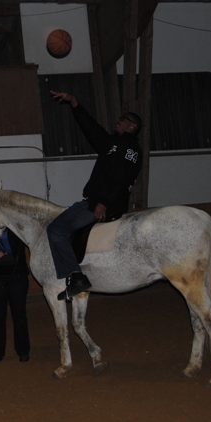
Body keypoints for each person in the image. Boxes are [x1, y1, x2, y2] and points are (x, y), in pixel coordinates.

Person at [48, 90, 143, 302]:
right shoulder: (114, 145)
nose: (118, 122)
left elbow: (122, 176)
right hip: (96, 201)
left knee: (55, 230)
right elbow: (92, 130)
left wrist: (103, 203)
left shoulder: (130, 148)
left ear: (131, 126)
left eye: (122, 120)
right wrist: (75, 104)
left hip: (103, 203)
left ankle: (75, 276)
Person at [0, 228, 30, 364]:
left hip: (17, 274)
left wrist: (6, 252)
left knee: (19, 313)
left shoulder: (16, 226)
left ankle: (23, 350)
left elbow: (23, 244)